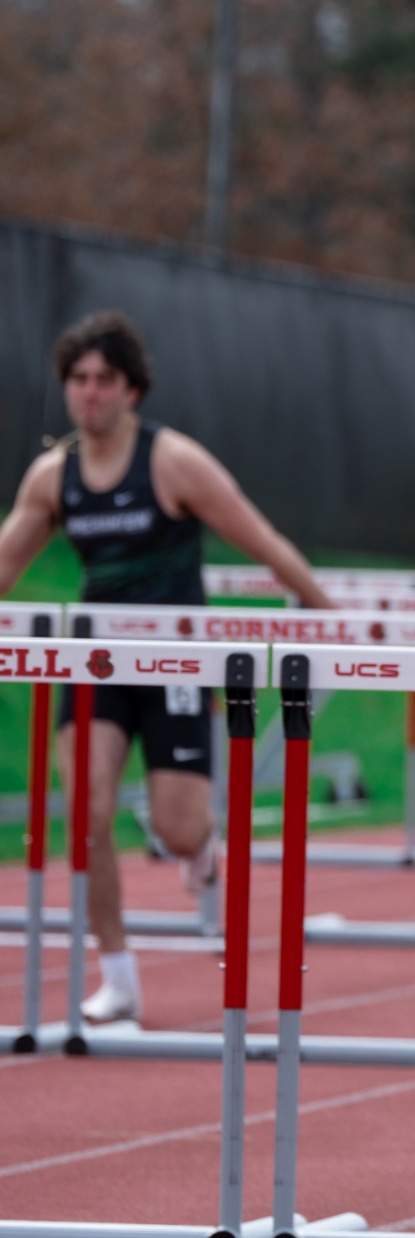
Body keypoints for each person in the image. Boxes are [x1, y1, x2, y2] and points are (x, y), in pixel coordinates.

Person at [0, 312, 333, 1024]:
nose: (89, 394)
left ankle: (200, 850)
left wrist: (324, 613)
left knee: (178, 828)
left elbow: (261, 537)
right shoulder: (52, 477)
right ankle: (117, 975)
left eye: (104, 381)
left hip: (177, 659)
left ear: (133, 390)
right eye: (78, 381)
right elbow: (5, 561)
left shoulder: (173, 461)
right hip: (96, 662)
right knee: (86, 813)